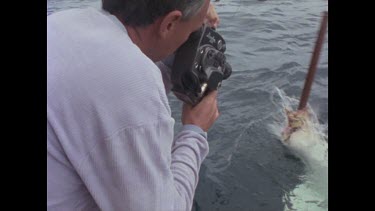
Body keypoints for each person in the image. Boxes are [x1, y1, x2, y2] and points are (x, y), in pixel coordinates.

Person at [47, 0, 220, 210]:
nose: (189, 39)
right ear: (170, 23)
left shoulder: (65, 22)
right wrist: (195, 131)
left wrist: (173, 64)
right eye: (191, 33)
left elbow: (112, 86)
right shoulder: (130, 79)